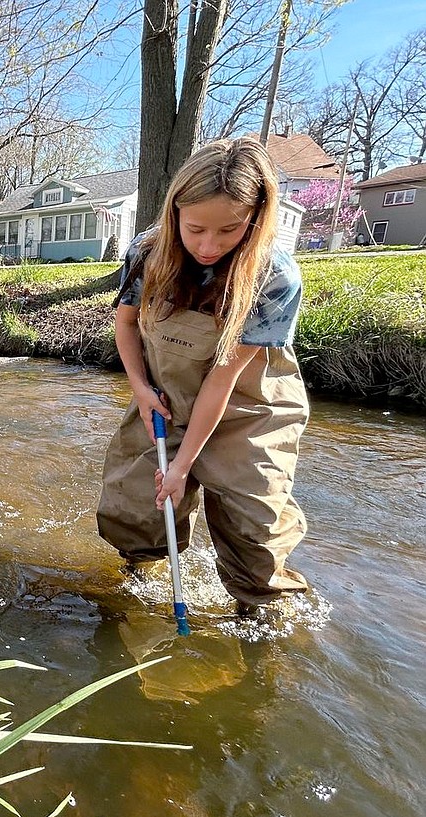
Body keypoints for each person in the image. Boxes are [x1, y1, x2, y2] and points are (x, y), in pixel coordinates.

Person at [96, 136, 310, 616]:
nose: (208, 246)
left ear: (255, 219)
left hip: (247, 406)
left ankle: (259, 610)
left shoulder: (275, 276)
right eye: (194, 230)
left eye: (228, 231)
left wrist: (183, 464)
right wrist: (140, 388)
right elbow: (126, 324)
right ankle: (136, 582)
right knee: (138, 506)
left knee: (254, 526)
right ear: (174, 214)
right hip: (165, 393)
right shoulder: (146, 254)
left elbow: (223, 376)